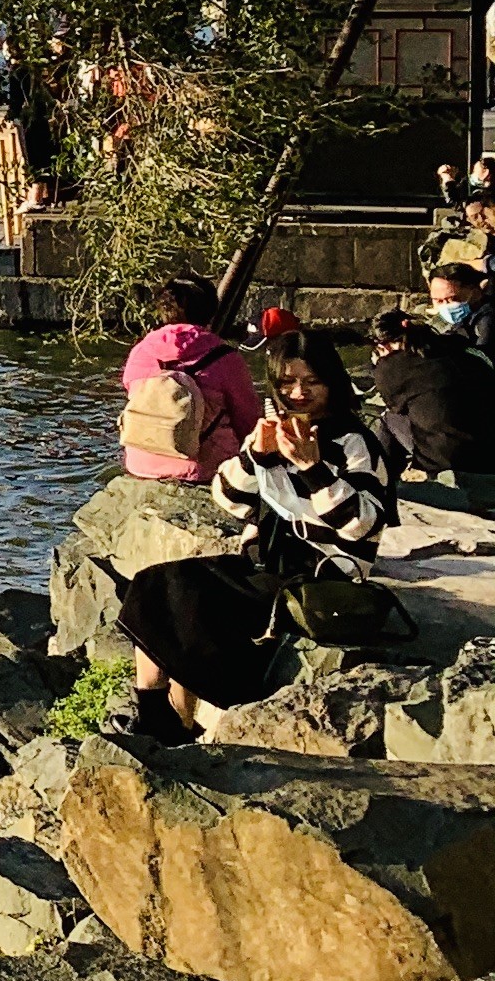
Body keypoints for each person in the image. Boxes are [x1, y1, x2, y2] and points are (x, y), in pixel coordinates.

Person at [114, 340, 388, 741]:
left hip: (321, 572)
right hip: (263, 562)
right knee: (156, 581)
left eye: (312, 382)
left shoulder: (355, 443)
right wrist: (255, 458)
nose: (299, 393)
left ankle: (177, 722)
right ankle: (156, 714)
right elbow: (228, 499)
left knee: (193, 600)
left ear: (333, 382)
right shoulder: (271, 433)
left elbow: (362, 527)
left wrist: (314, 470)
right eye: (288, 382)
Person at [114, 279, 258, 485]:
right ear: (210, 310)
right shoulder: (225, 358)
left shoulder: (140, 351)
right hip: (203, 470)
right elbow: (247, 419)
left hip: (141, 464)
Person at [370, 305, 495, 515]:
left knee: (387, 419)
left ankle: (379, 485)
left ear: (384, 345)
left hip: (449, 462)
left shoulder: (393, 366)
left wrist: (379, 365)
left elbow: (394, 405)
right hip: (488, 454)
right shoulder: (468, 352)